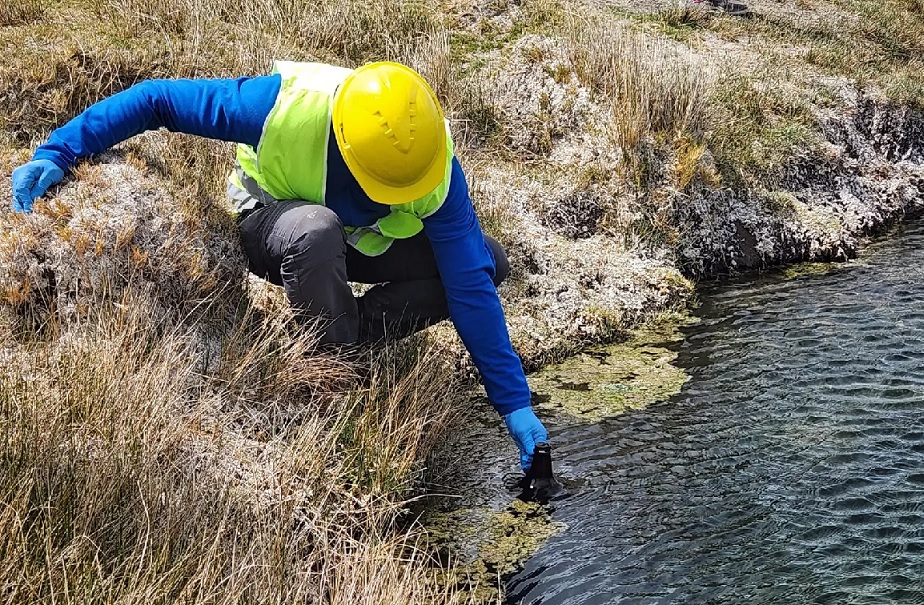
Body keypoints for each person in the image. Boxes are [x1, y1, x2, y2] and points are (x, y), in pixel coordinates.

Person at [9, 60, 548, 470]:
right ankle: (332, 371)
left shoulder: (431, 162)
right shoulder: (283, 107)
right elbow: (159, 101)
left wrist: (515, 404)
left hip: (363, 242)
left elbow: (470, 285)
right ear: (345, 144)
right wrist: (59, 151)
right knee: (317, 229)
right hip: (276, 225)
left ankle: (350, 333)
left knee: (487, 261)